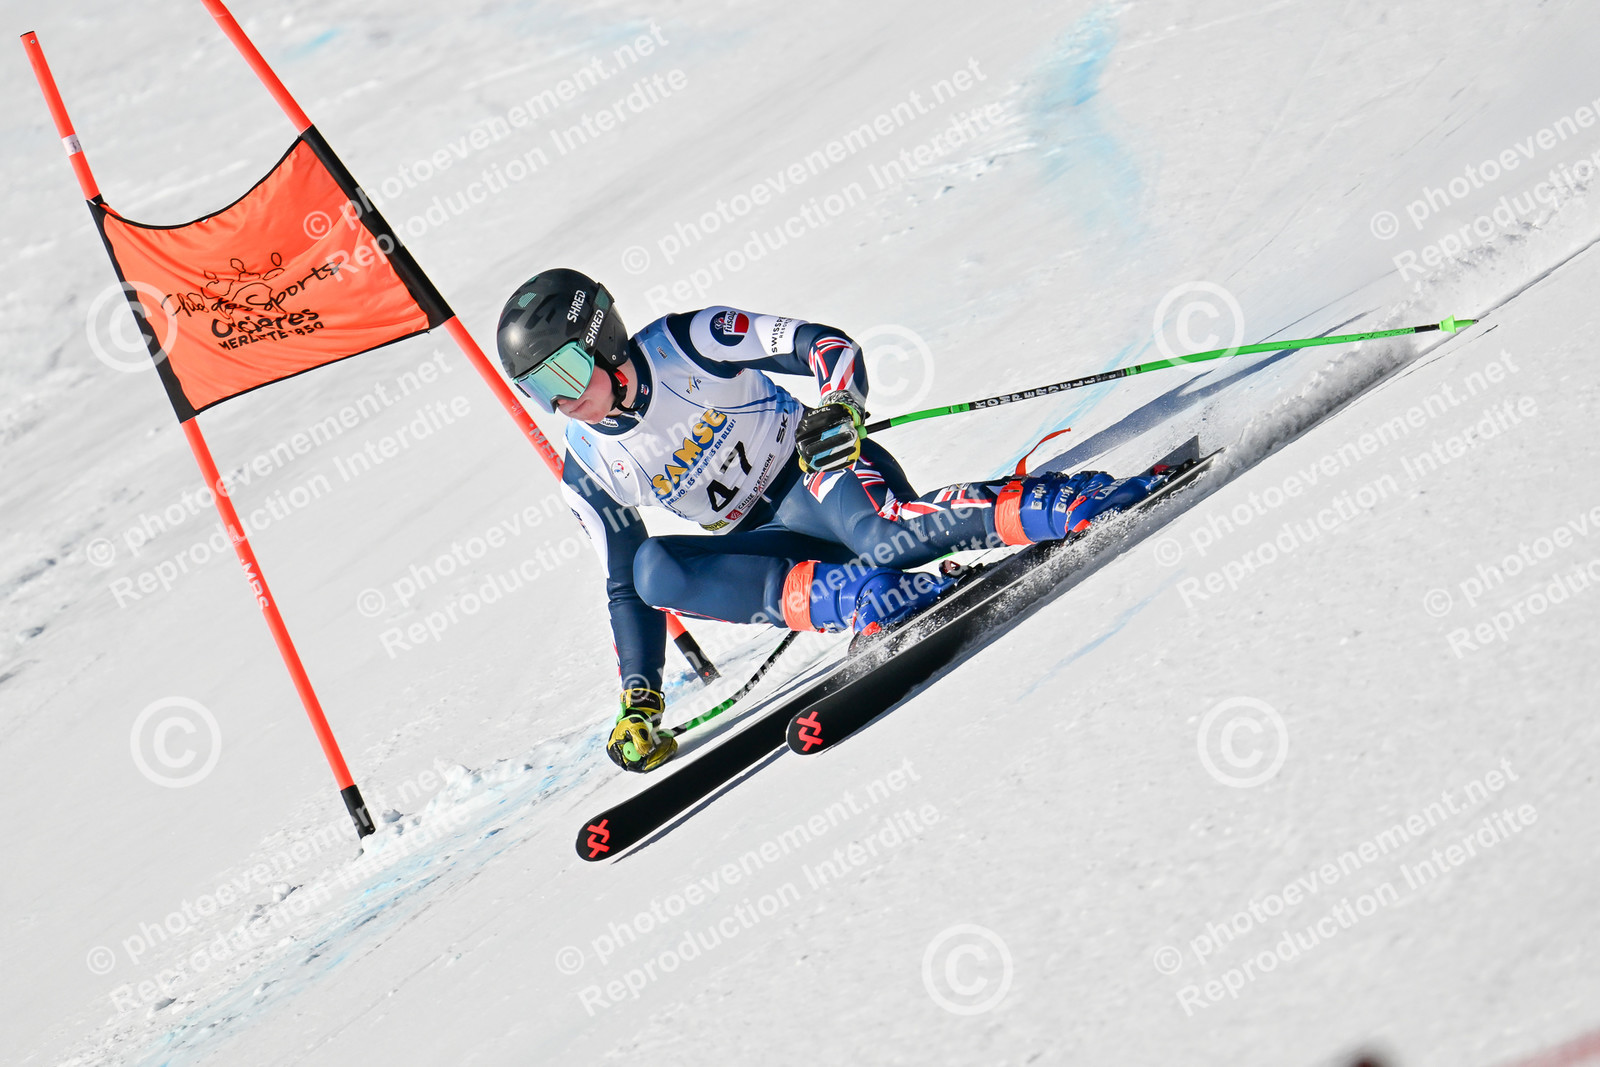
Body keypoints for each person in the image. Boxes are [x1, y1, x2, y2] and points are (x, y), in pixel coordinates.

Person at [496, 269, 1174, 772]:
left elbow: (825, 345)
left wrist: (840, 405)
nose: (563, 403)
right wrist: (640, 696)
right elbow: (625, 587)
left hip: (821, 472)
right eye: (540, 390)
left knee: (885, 537)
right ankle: (869, 598)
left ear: (604, 340)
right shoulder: (588, 468)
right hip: (772, 545)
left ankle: (1062, 501)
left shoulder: (687, 342)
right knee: (653, 571)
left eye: (566, 373)